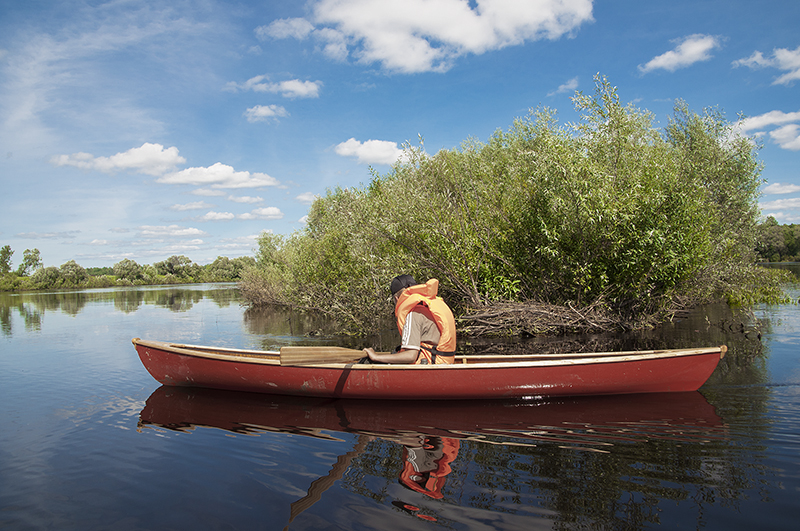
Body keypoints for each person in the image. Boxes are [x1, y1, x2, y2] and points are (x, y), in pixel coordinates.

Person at [363, 274, 456, 364]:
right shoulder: (430, 306)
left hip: (430, 364)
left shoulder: (413, 313)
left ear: (396, 299)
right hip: (444, 362)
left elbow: (411, 356)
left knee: (369, 362)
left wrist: (375, 357)